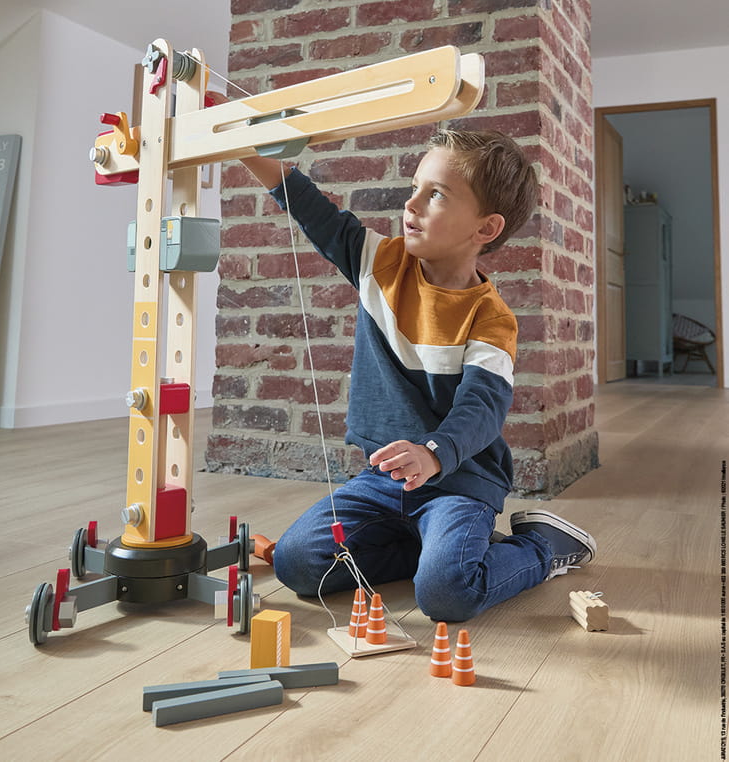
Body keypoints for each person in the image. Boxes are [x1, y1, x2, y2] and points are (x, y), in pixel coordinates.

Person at [234, 128, 596, 622]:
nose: (412, 205)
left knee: (447, 596)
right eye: (414, 188)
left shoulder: (492, 319)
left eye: (436, 195)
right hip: (383, 482)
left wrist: (432, 453)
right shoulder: (379, 263)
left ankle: (541, 548)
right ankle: (435, 552)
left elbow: (482, 409)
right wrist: (241, 142)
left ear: (485, 229)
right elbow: (308, 204)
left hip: (460, 482)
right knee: (297, 565)